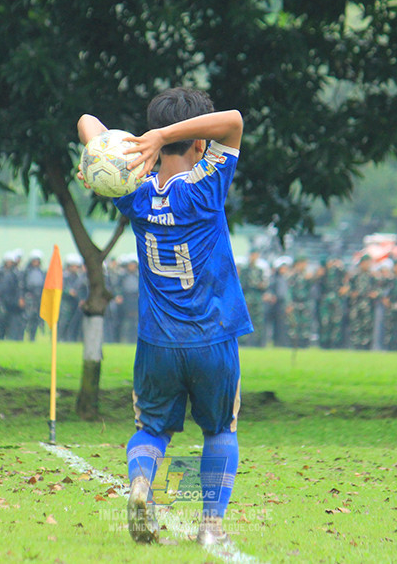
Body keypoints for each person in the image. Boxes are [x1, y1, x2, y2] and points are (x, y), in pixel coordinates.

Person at [77, 87, 251, 548]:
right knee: (220, 429)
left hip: (157, 340)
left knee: (151, 429)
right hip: (213, 336)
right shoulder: (206, 187)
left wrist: (106, 154)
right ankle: (211, 525)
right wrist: (161, 136)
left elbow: (87, 119)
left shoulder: (133, 190)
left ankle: (141, 486)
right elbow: (233, 119)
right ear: (199, 144)